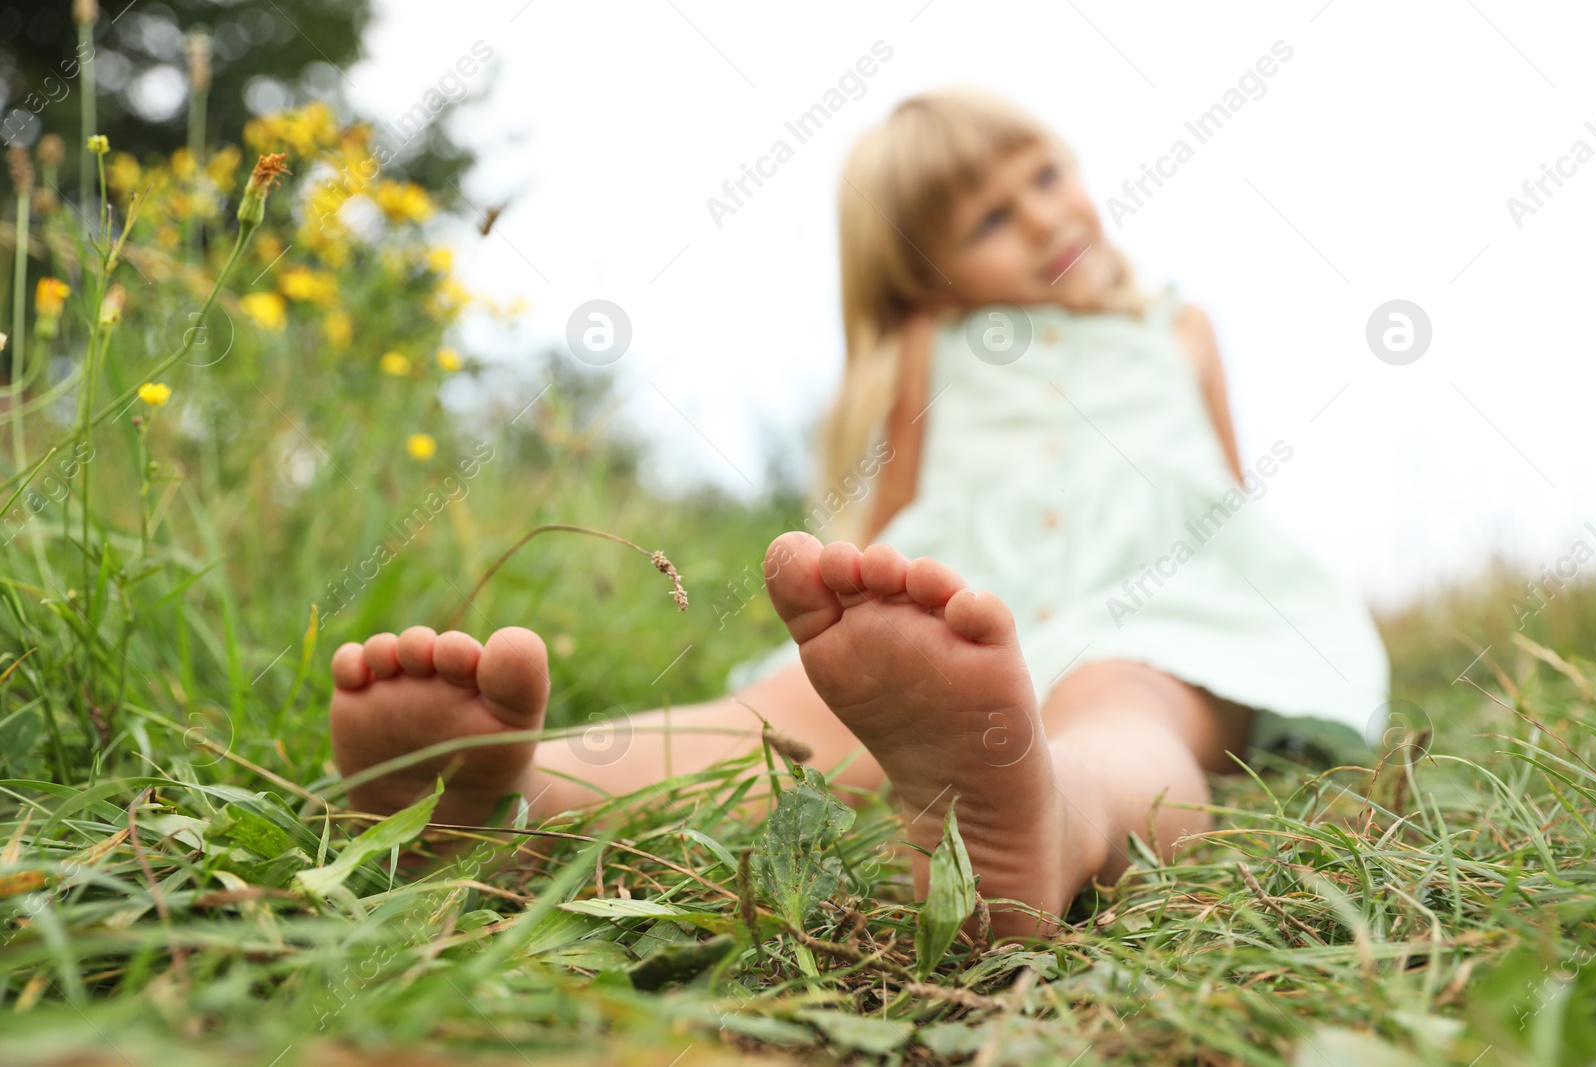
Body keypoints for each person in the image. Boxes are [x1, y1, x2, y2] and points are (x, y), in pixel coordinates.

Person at [327, 85, 1390, 940]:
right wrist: (867, 623)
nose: (1041, 217)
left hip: (1162, 596)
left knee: (1129, 705)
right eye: (987, 218)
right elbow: (896, 506)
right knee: (787, 721)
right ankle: (496, 796)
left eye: (1045, 176)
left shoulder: (1181, 326)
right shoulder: (937, 342)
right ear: (924, 272)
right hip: (977, 590)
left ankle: (1052, 819)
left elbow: (1224, 486)